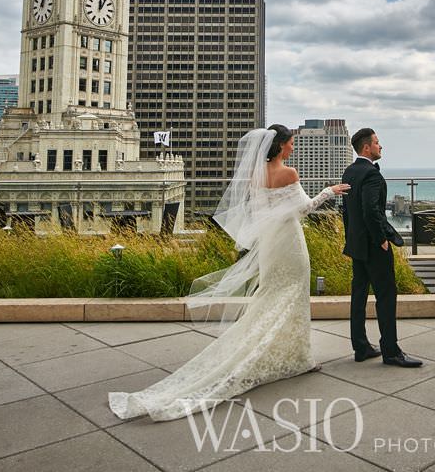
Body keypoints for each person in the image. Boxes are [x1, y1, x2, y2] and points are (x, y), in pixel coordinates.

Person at [108, 124, 350, 421]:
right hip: (289, 242)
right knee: (294, 293)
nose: (292, 148)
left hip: (270, 245)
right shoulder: (289, 174)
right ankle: (298, 356)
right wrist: (330, 191)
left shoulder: (255, 176)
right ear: (281, 145)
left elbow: (260, 212)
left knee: (271, 293)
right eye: (290, 143)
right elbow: (304, 209)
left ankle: (287, 352)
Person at [341, 128, 422, 367]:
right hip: (375, 247)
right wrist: (381, 239)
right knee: (386, 297)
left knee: (359, 295)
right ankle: (391, 352)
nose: (380, 146)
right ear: (367, 148)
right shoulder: (372, 175)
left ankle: (361, 347)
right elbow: (371, 211)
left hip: (356, 244)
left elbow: (347, 212)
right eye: (377, 143)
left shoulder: (350, 171)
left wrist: (352, 238)